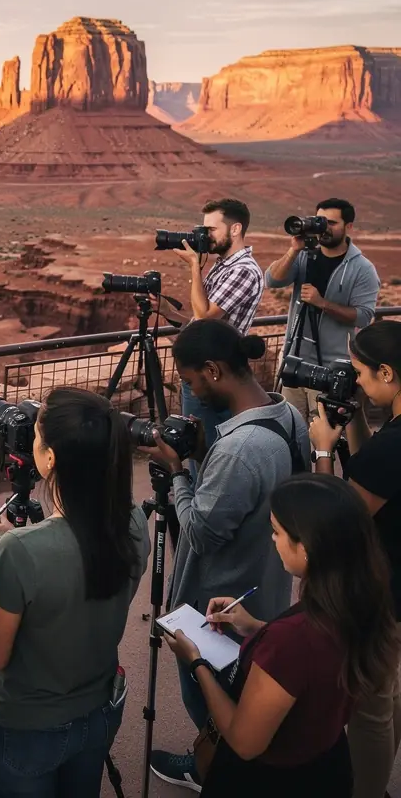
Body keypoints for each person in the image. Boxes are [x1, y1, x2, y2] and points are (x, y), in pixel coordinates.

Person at [0, 388, 150, 798]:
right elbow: (84, 586)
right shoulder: (132, 522)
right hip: (98, 711)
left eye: (37, 436)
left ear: (51, 458)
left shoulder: (22, 552)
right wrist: (22, 536)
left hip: (26, 728)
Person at [147, 319, 308, 791]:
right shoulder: (287, 416)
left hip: (219, 607)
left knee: (213, 700)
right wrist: (204, 455)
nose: (191, 392)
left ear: (213, 370)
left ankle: (216, 771)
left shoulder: (238, 449)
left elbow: (200, 532)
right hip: (264, 589)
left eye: (191, 380)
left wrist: (179, 470)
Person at [164, 474, 398, 797]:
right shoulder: (358, 602)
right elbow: (314, 660)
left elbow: (244, 741)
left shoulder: (290, 641)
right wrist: (255, 627)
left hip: (272, 780)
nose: (272, 540)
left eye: (277, 531)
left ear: (308, 546)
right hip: (326, 762)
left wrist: (196, 661)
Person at [310, 319, 401, 798]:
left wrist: (323, 450)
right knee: (391, 691)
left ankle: (366, 790)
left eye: (362, 374)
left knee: (369, 707)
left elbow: (336, 521)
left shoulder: (392, 448)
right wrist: (359, 420)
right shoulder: (392, 437)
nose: (358, 382)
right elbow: (377, 474)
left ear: (387, 373)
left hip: (385, 592)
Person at [266, 197, 379, 453]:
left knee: (326, 442)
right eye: (320, 221)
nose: (324, 228)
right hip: (294, 363)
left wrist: (322, 303)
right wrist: (294, 250)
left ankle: (325, 477)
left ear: (349, 226)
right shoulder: (305, 256)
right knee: (289, 435)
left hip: (331, 371)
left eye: (331, 222)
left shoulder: (362, 269)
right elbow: (272, 280)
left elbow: (363, 316)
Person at [174, 198, 265, 450]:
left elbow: (205, 316)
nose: (205, 236)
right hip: (202, 371)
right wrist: (167, 312)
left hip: (214, 375)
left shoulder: (243, 270)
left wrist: (195, 266)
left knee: (207, 449)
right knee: (195, 445)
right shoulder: (223, 266)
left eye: (211, 229)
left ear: (235, 229)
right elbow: (200, 324)